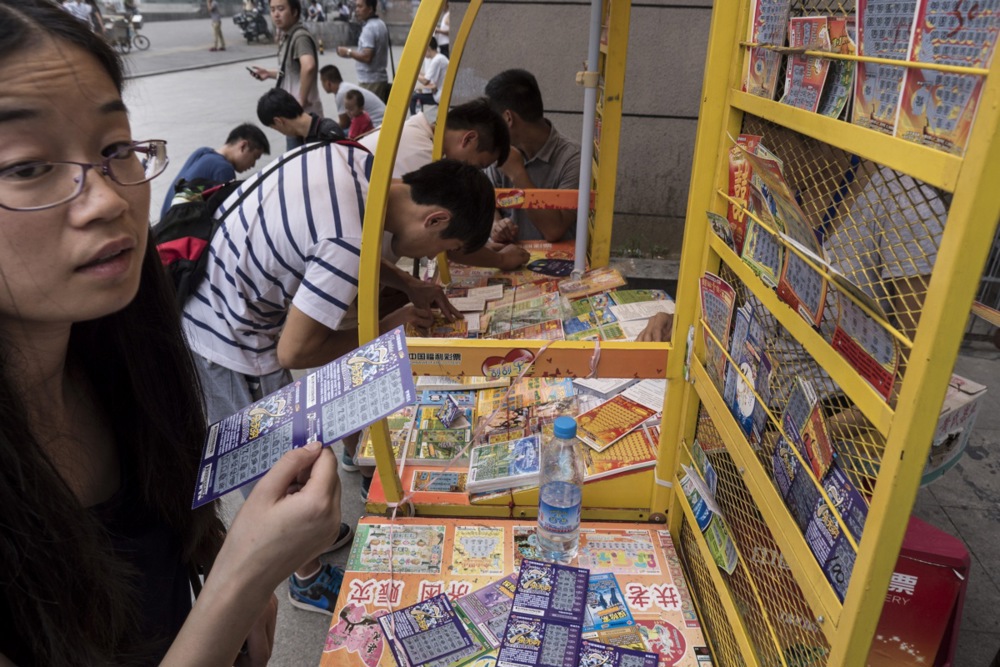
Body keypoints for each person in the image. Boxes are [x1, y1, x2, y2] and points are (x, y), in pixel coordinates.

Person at [0, 2, 342, 664]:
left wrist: (214, 549)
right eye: (28, 166)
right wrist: (243, 579)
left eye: (115, 149)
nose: (106, 198)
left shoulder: (123, 360)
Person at [182, 154, 495, 612]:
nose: (432, 258)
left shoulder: (359, 164)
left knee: (294, 454)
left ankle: (308, 541)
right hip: (228, 337)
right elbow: (296, 351)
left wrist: (406, 282)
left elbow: (350, 247)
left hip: (226, 296)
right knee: (275, 465)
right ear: (435, 219)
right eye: (440, 248)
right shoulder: (345, 238)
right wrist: (389, 326)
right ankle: (304, 578)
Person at [485, 68, 582, 243]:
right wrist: (497, 226)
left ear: (508, 118)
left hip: (556, 264)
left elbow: (553, 230)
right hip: (509, 259)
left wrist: (518, 175)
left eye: (493, 120)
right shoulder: (501, 151)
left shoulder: (573, 159)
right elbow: (487, 201)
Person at [249, 0, 323, 149]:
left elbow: (308, 66)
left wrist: (301, 101)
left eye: (281, 9)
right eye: (272, 9)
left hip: (302, 117)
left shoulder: (300, 37)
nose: (276, 14)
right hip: (293, 117)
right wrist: (269, 74)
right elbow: (294, 72)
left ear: (295, 11)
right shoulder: (289, 36)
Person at [159, 123, 270, 219]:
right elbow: (225, 216)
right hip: (179, 235)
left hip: (165, 222)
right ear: (243, 146)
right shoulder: (224, 169)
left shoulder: (202, 152)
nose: (253, 164)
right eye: (255, 157)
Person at [335, 0, 389, 103]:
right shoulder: (380, 24)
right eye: (356, 7)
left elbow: (367, 57)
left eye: (360, 7)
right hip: (379, 79)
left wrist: (348, 52)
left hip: (370, 81)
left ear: (370, 9)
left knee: (370, 115)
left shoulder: (369, 28)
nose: (357, 10)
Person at [257, 87, 345, 148]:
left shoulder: (328, 132)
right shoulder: (294, 138)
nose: (281, 133)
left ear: (278, 121)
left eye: (275, 128)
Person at [320, 63, 386, 130]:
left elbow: (344, 124)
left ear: (328, 83)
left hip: (377, 124)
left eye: (322, 82)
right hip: (380, 120)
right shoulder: (345, 87)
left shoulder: (341, 93)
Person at [410, 37, 448, 116]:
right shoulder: (440, 57)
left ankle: (413, 119)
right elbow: (428, 77)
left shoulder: (436, 60)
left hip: (440, 95)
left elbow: (425, 81)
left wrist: (413, 73)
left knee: (413, 98)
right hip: (441, 92)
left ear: (428, 48)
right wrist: (416, 71)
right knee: (416, 94)